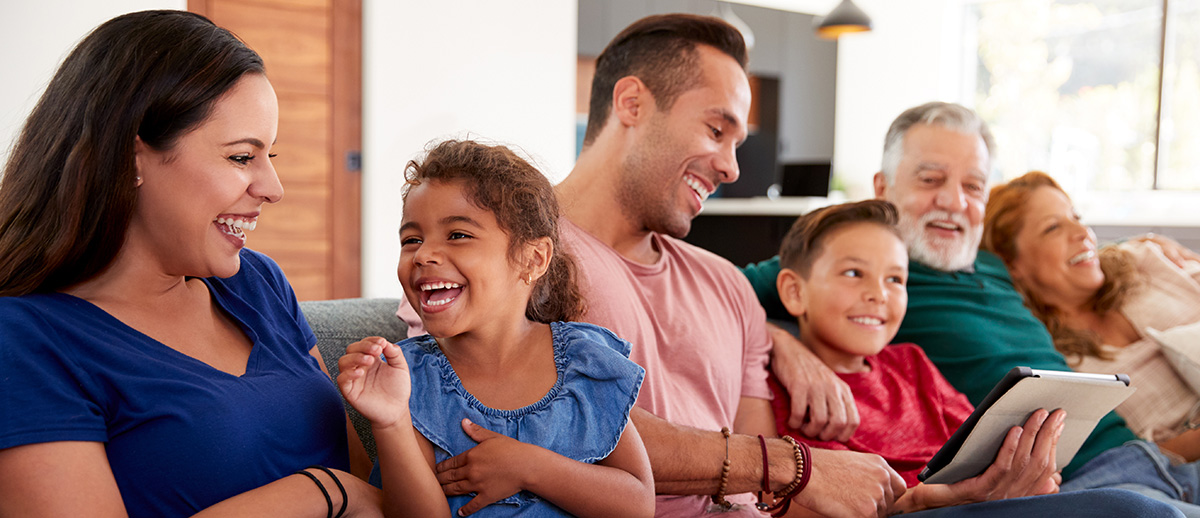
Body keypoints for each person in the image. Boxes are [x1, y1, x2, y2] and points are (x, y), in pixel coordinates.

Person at [550, 15, 1183, 518]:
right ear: (631, 103)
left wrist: (934, 495)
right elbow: (579, 430)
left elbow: (760, 501)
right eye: (717, 130)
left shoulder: (723, 286)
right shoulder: (528, 255)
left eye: (973, 187)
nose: (734, 168)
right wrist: (788, 394)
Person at [0, 10, 382, 517]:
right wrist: (325, 490)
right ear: (131, 158)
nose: (273, 188)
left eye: (272, 157)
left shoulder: (258, 283)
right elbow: (352, 489)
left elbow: (367, 482)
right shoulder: (26, 339)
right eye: (242, 157)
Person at [741, 101, 1200, 515]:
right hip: (1073, 481)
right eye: (931, 179)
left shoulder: (994, 264)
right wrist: (780, 341)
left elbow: (1068, 255)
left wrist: (1144, 249)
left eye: (973, 186)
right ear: (882, 187)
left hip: (1149, 456)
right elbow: (714, 291)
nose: (954, 202)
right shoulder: (852, 264)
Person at [338, 140, 654, 517]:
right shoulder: (408, 377)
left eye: (458, 235)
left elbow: (636, 505)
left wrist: (529, 468)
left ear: (533, 259)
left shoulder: (584, 362)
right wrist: (390, 422)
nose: (423, 255)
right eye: (412, 240)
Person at [768, 199, 1065, 513]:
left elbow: (978, 447)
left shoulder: (912, 363)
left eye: (895, 279)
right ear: (794, 292)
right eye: (854, 273)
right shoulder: (777, 387)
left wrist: (1020, 467)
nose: (879, 294)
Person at [983, 171, 1200, 460]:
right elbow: (1135, 463)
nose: (1082, 232)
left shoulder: (1143, 260)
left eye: (1077, 217)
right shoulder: (1057, 362)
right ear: (1012, 263)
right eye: (1053, 228)